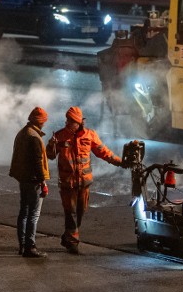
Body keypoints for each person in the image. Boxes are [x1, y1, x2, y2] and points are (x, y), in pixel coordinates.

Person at [46, 106, 125, 254]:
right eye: (67, 120)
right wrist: (51, 145)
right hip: (67, 184)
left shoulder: (90, 135)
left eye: (70, 121)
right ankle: (73, 243)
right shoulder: (60, 136)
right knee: (71, 213)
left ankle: (68, 237)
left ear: (78, 122)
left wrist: (119, 162)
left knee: (81, 212)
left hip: (84, 183)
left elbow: (103, 152)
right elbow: (49, 155)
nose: (67, 123)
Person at [9, 107, 51, 258]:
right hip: (33, 181)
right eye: (44, 121)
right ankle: (30, 247)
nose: (45, 124)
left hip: (23, 179)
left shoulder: (22, 133)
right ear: (39, 121)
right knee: (33, 214)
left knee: (23, 212)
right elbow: (38, 163)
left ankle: (22, 245)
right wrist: (43, 183)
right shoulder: (34, 137)